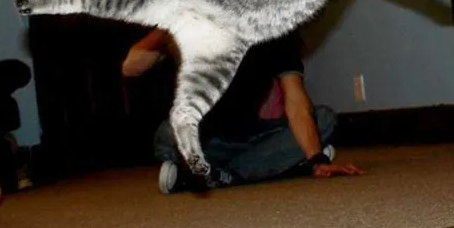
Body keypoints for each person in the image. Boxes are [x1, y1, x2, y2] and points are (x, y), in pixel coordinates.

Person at [122, 29, 363, 193]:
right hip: (199, 138)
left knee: (324, 119)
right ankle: (261, 168)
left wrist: (317, 159)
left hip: (248, 137)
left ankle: (214, 176)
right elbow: (130, 67)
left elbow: (296, 100)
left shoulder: (276, 28)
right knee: (170, 132)